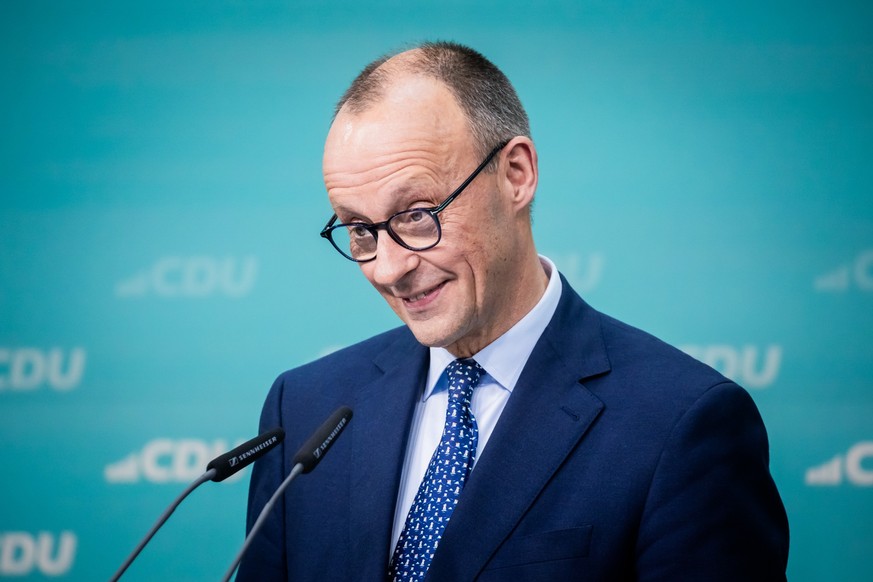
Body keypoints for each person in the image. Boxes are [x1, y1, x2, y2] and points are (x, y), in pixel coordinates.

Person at [238, 41, 789, 581]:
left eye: (416, 214)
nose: (387, 269)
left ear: (516, 174)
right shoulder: (306, 406)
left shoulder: (680, 424)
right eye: (361, 230)